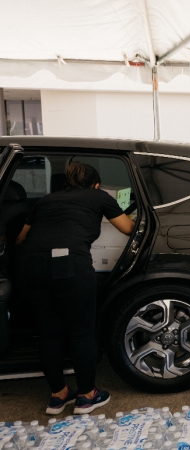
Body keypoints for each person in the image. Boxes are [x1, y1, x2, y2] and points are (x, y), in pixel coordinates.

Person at [16, 161, 135, 415]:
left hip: (31, 265)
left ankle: (58, 396)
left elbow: (20, 239)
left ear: (68, 183)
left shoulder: (46, 200)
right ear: (96, 184)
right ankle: (86, 396)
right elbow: (127, 229)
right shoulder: (99, 196)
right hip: (70, 264)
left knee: (50, 333)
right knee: (81, 333)